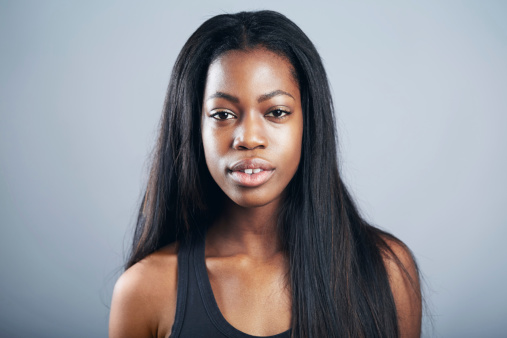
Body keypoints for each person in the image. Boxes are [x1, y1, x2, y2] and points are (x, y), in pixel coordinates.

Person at [109, 10, 422, 338]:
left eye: (276, 112)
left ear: (308, 123)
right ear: (193, 127)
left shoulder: (386, 271)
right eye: (222, 114)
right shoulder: (145, 290)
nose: (248, 138)